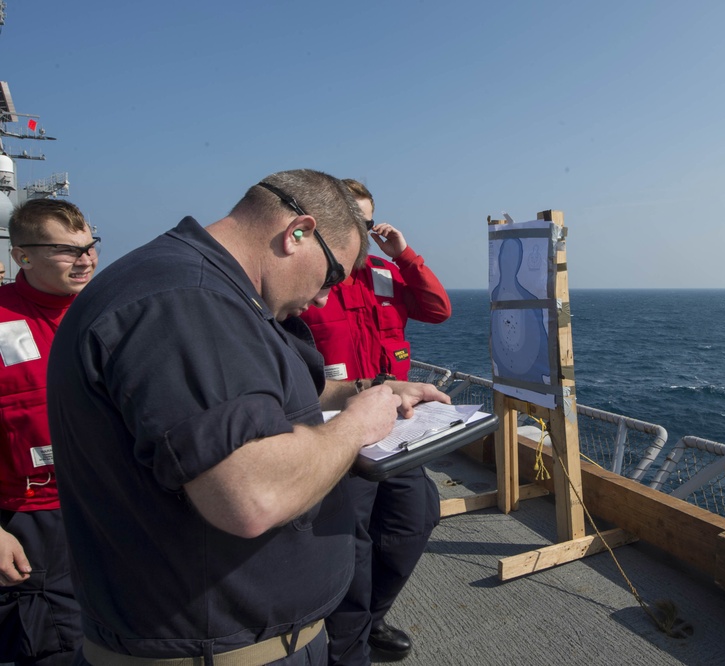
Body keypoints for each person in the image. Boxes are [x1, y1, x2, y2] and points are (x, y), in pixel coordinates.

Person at [46, 169, 449, 665]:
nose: (325, 297)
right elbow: (252, 495)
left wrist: (369, 390)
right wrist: (358, 425)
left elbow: (270, 391)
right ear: (296, 233)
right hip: (220, 648)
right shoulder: (186, 302)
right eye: (330, 276)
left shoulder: (201, 286)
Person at [301, 180, 450, 663]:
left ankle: (370, 618)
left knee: (415, 519)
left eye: (367, 223)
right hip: (339, 429)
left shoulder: (385, 273)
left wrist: (405, 255)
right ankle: (347, 646)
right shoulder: (311, 282)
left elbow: (437, 310)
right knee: (353, 543)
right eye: (351, 223)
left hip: (395, 425)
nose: (361, 233)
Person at [0, 198, 98, 665]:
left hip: (111, 508)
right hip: (32, 523)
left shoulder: (113, 313)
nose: (85, 260)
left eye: (89, 246)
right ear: (22, 255)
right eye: (66, 250)